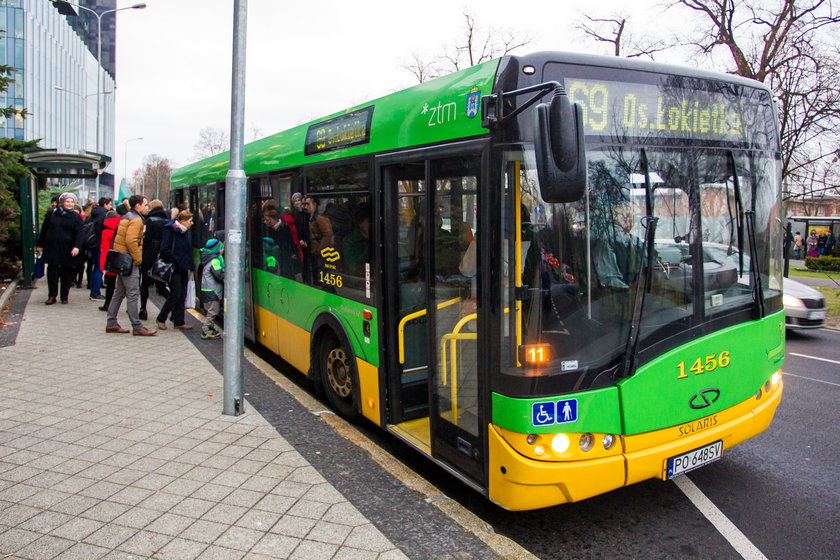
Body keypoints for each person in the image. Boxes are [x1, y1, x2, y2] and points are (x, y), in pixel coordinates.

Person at [106, 194, 157, 336]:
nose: (147, 208)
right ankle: (137, 326)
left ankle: (111, 322)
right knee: (133, 294)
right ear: (138, 206)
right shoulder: (136, 220)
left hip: (121, 259)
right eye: (145, 205)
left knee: (119, 293)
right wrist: (138, 259)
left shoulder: (126, 216)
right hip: (129, 261)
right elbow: (131, 241)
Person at [36, 192, 85, 305]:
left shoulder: (76, 217)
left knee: (67, 273)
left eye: (72, 202)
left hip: (68, 249)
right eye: (67, 201)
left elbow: (80, 233)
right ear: (62, 202)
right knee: (52, 272)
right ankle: (52, 296)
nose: (69, 204)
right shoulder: (52, 213)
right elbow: (44, 229)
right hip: (52, 247)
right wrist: (40, 244)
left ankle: (64, 296)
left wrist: (77, 246)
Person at [156, 210, 195, 331]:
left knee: (182, 294)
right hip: (173, 268)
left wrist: (190, 264)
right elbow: (164, 249)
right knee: (175, 294)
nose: (192, 223)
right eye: (190, 221)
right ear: (182, 221)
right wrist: (177, 259)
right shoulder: (170, 230)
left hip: (183, 267)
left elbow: (187, 250)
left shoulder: (184, 231)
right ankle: (161, 318)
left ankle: (179, 321)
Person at [139, 199, 170, 320]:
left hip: (150, 254)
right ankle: (172, 308)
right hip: (162, 255)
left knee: (145, 284)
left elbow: (146, 240)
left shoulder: (150, 220)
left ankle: (143, 310)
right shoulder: (167, 221)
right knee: (161, 285)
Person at [86, 197, 112, 301]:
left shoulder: (94, 213)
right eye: (109, 204)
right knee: (99, 269)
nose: (110, 207)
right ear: (105, 204)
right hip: (100, 245)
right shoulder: (104, 215)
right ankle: (95, 292)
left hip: (94, 244)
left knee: (95, 268)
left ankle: (94, 290)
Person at [199, 239, 225, 339]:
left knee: (211, 310)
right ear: (217, 249)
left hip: (207, 289)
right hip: (212, 290)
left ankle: (210, 328)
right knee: (213, 311)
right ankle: (206, 330)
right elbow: (218, 274)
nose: (223, 250)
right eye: (221, 248)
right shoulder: (214, 260)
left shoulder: (209, 258)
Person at [98, 210, 120, 311]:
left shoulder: (105, 231)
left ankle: (108, 304)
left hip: (110, 260)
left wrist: (103, 265)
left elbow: (104, 248)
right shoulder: (121, 227)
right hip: (120, 258)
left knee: (110, 285)